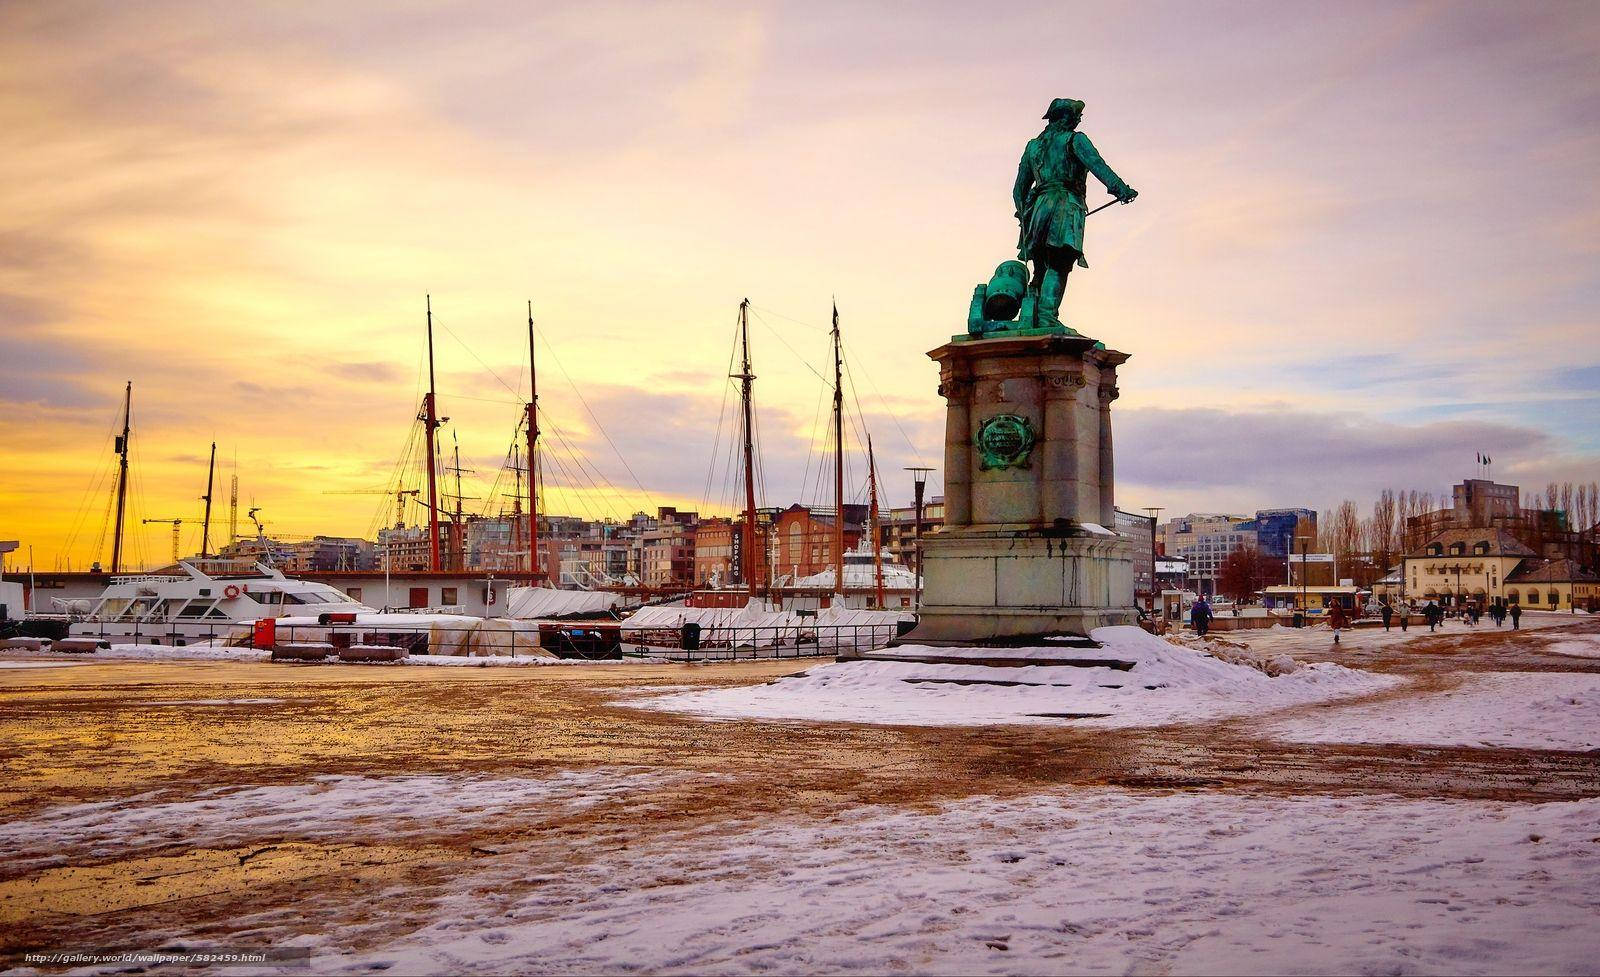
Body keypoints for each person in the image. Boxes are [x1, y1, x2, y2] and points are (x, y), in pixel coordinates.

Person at [1012, 98, 1138, 329]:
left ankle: (1033, 318)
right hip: (1066, 205)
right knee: (1059, 261)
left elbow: (1019, 189)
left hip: (1038, 210)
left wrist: (1024, 216)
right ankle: (1048, 317)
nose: (1079, 120)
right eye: (1076, 116)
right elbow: (1097, 164)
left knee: (1041, 266)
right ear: (1065, 118)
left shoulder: (1033, 147)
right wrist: (1121, 189)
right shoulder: (1075, 139)